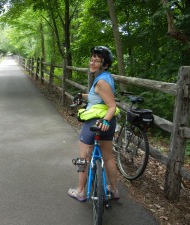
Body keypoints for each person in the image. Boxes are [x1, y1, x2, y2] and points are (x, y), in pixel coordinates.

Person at [68, 46, 119, 202]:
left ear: (105, 64)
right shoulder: (105, 77)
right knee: (108, 157)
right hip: (108, 124)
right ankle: (114, 189)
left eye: (97, 61)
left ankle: (81, 191)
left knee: (83, 157)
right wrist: (82, 95)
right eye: (92, 59)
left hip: (98, 122)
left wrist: (104, 120)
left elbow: (112, 106)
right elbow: (97, 97)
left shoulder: (101, 81)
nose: (92, 62)